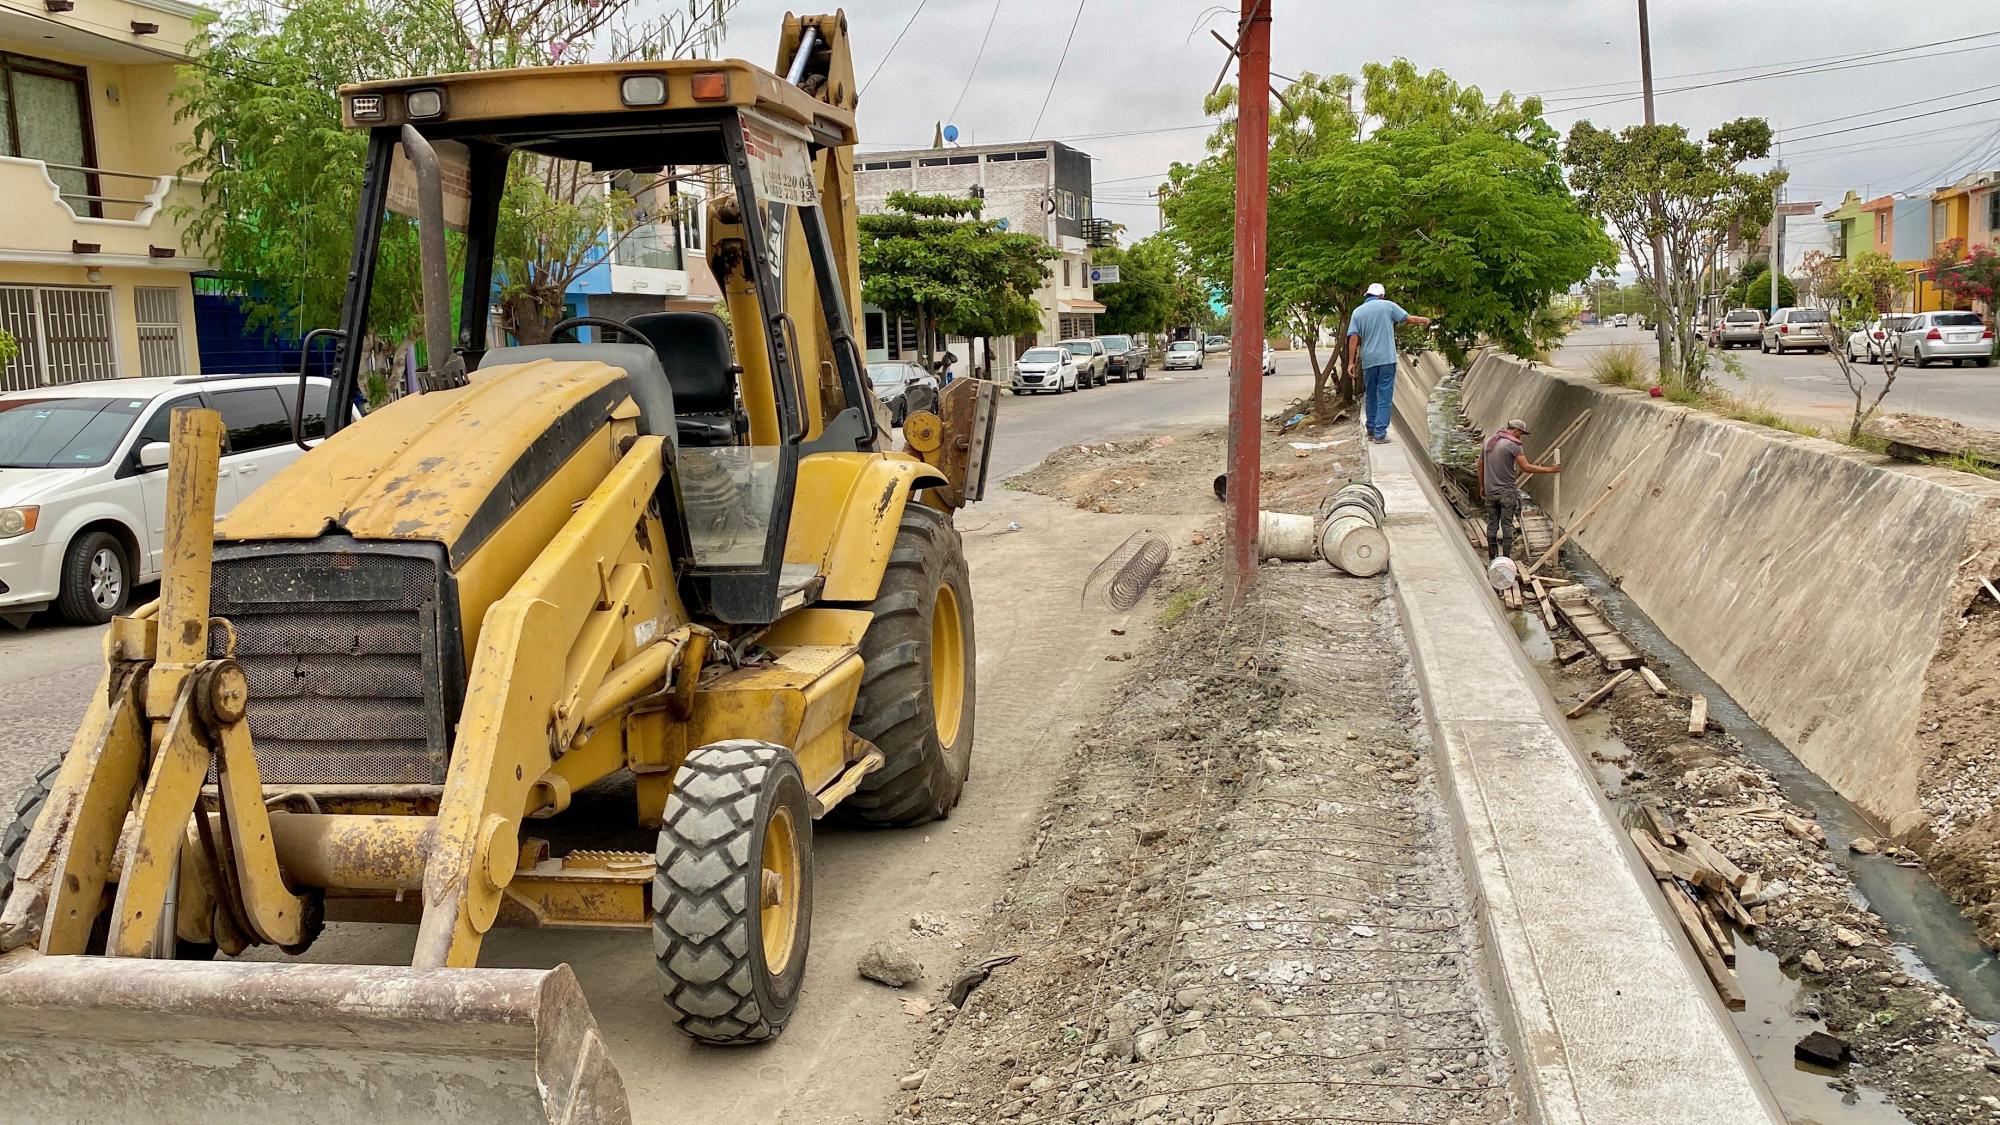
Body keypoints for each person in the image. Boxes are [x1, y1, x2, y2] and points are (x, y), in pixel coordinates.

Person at [1345, 282, 1433, 444]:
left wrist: (1351, 362)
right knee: (1384, 396)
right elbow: (1409, 319)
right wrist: (1424, 320)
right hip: (1386, 360)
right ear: (1381, 295)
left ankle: (1371, 430)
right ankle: (1380, 434)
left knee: (1371, 395)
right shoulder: (1388, 306)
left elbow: (1354, 337)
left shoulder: (1357, 312)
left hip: (1369, 360)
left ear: (1367, 295)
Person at [1481, 417, 1560, 561]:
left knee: (1492, 525)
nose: (1520, 437)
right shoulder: (1514, 445)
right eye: (1521, 433)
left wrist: (1482, 486)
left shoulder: (1488, 442)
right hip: (1507, 493)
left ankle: (1493, 559)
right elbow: (1526, 467)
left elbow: (1480, 465)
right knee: (1507, 526)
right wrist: (1550, 470)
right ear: (1516, 430)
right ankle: (1506, 560)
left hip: (1490, 492)